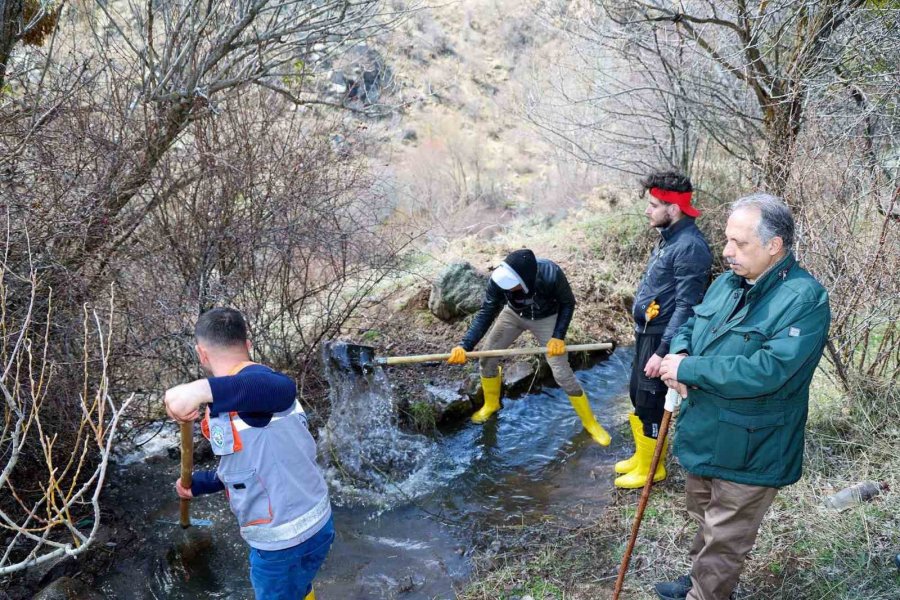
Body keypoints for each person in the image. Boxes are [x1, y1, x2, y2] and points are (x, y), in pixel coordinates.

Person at [654, 194, 831, 600]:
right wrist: (680, 351)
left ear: (775, 245)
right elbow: (693, 324)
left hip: (753, 442)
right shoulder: (727, 282)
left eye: (740, 243)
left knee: (726, 536)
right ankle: (699, 581)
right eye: (727, 241)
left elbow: (769, 370)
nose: (728, 252)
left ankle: (708, 593)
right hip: (706, 428)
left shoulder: (804, 299)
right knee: (702, 516)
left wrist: (689, 370)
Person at [165, 308, 332, 600]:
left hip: (282, 541)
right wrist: (202, 483)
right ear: (248, 343)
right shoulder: (234, 398)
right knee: (299, 587)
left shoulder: (260, 385)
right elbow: (250, 463)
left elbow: (282, 389)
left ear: (201, 353)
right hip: (316, 525)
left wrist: (198, 389)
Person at [447, 248, 611, 446]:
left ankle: (590, 422)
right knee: (487, 358)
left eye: (513, 285)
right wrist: (464, 345)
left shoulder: (551, 273)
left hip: (547, 318)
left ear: (526, 279)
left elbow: (568, 303)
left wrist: (558, 336)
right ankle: (491, 404)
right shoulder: (498, 280)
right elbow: (486, 312)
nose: (508, 289)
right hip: (514, 315)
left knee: (561, 373)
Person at [616, 172, 712, 489]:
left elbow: (687, 306)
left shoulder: (690, 247)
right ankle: (643, 458)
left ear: (673, 208)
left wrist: (663, 352)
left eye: (654, 205)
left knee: (651, 399)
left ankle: (652, 468)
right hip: (648, 331)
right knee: (638, 395)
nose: (648, 210)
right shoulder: (668, 238)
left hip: (662, 336)